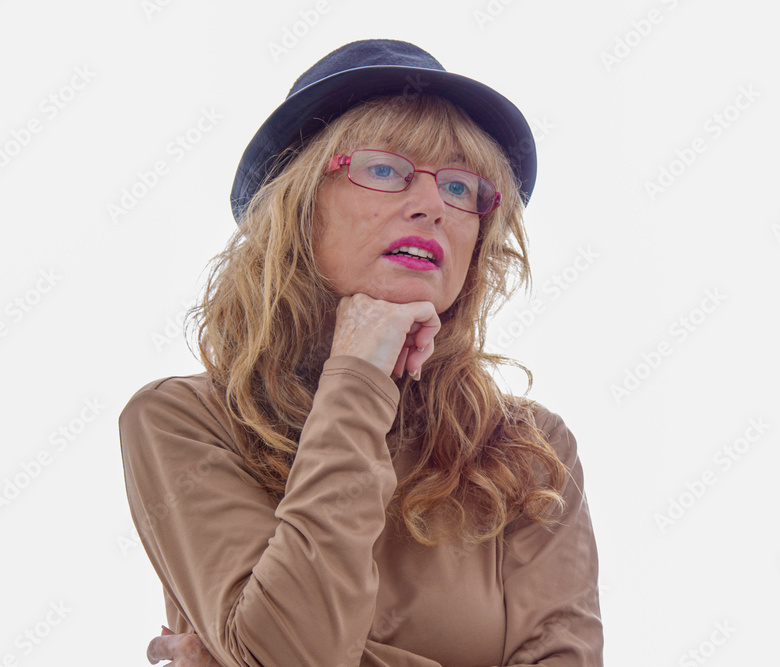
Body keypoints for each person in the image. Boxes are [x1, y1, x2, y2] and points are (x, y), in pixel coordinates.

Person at [119, 39, 604, 666]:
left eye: (461, 186)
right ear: (296, 208)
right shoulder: (183, 419)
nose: (432, 205)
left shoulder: (530, 449)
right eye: (383, 170)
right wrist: (358, 375)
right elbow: (296, 654)